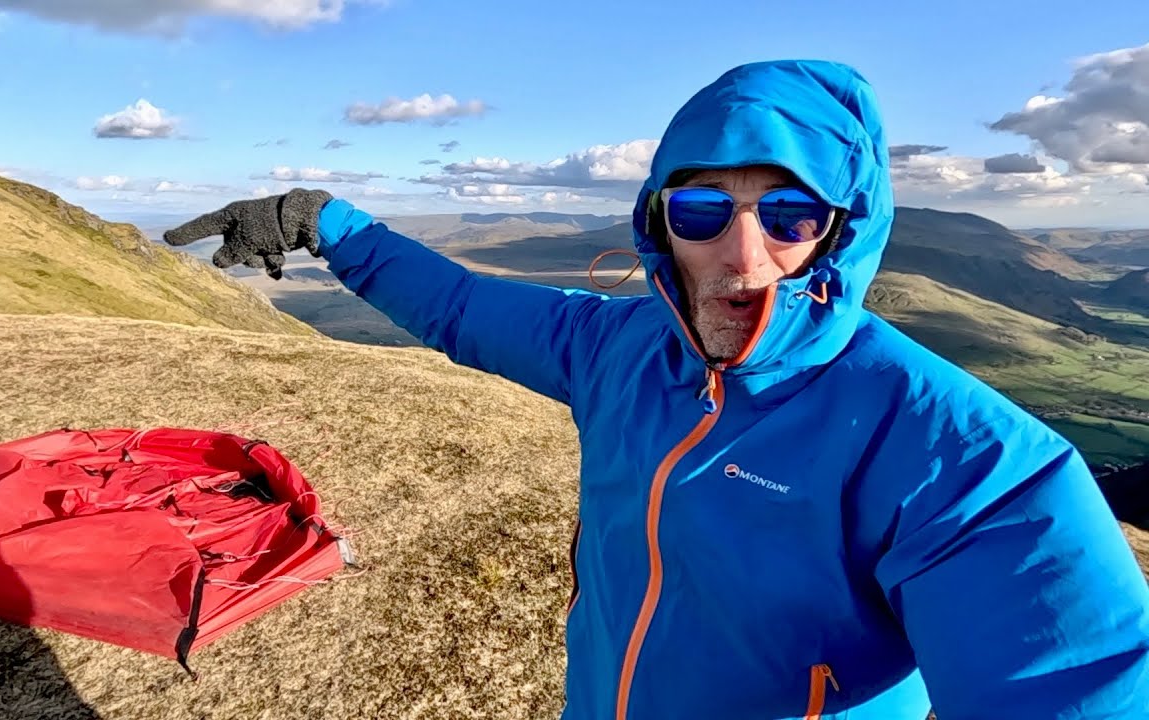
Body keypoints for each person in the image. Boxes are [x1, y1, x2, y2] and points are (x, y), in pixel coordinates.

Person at [163, 59, 1149, 719]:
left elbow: (1073, 685)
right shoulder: (615, 351)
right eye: (701, 208)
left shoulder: (969, 462)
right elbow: (459, 307)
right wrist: (315, 217)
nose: (742, 254)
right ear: (657, 222)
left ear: (840, 231)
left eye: (790, 214)